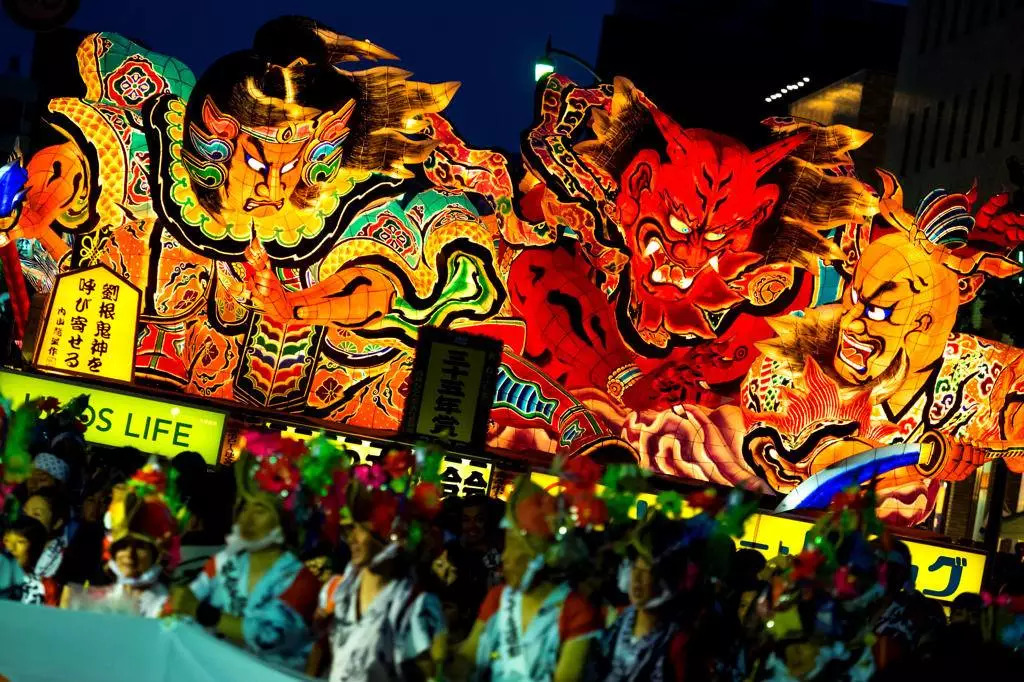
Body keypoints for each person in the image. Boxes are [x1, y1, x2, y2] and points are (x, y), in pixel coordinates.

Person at [167, 434, 321, 671]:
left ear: (286, 520)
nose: (247, 519)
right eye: (244, 507)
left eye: (259, 511)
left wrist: (202, 612)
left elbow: (269, 636)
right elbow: (183, 604)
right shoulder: (223, 563)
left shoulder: (301, 580)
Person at [454, 478, 601, 682]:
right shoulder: (498, 597)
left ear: (539, 558)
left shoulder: (575, 610)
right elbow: (469, 656)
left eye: (515, 550)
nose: (505, 558)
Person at [61, 461, 184, 618]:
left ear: (157, 553)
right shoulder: (95, 601)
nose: (129, 554)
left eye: (140, 546)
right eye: (122, 545)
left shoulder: (168, 609)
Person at [587, 516, 690, 682]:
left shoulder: (677, 643)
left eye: (647, 571)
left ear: (664, 579)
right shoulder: (616, 620)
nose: (636, 578)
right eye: (635, 567)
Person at [1, 515, 59, 605]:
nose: (11, 548)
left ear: (35, 548)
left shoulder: (45, 587)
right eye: (7, 541)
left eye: (20, 542)